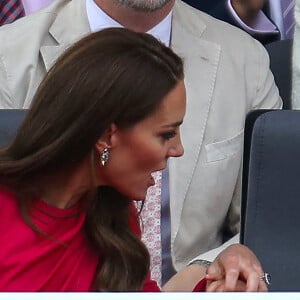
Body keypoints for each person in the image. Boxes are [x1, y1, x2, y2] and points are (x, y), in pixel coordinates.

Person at [0, 0, 281, 290]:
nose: (177, 150)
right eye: (166, 134)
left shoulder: (116, 215)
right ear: (106, 136)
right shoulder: (9, 56)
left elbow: (272, 217)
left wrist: (217, 270)